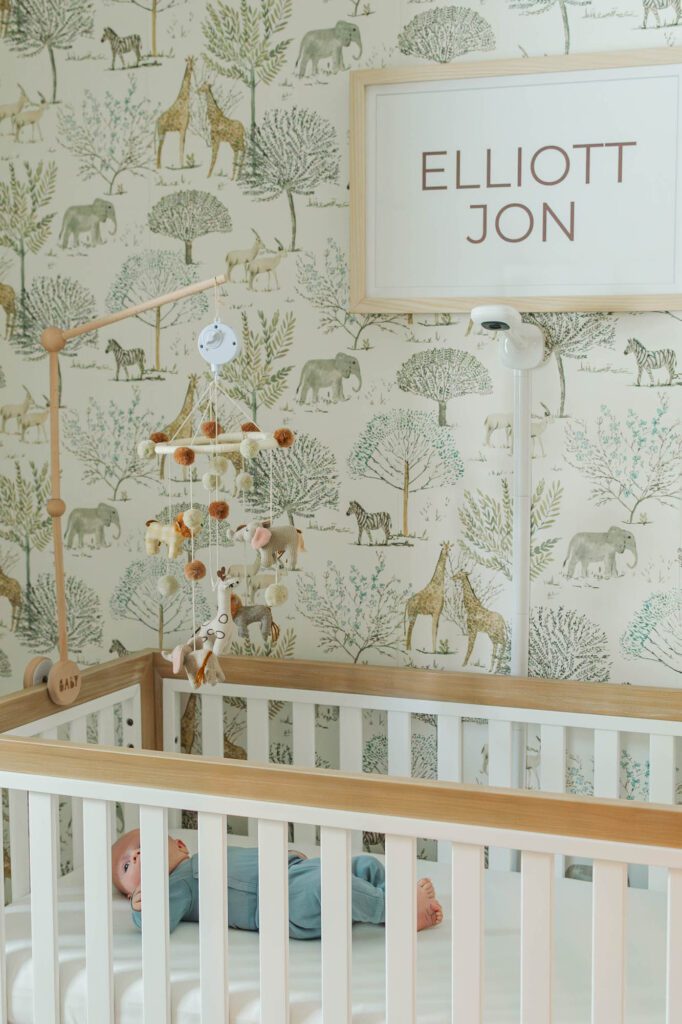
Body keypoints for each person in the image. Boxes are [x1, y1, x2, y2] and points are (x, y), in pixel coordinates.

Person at [111, 828, 443, 938]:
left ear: (180, 845)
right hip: (277, 902)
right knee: (331, 887)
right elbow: (159, 922)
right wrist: (143, 911)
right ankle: (396, 910)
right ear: (132, 890)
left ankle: (384, 891)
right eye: (128, 864)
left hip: (294, 872)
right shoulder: (176, 886)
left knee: (363, 865)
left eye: (143, 843)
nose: (137, 854)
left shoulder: (201, 856)